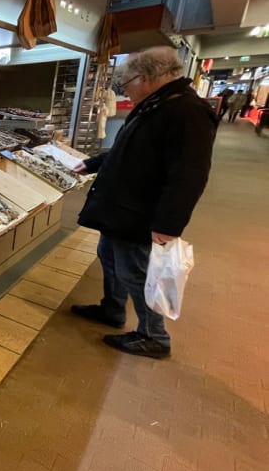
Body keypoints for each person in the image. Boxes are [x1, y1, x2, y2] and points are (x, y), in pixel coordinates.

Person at [71, 46, 217, 359]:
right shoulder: (156, 104)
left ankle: (154, 336)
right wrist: (94, 162)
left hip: (141, 214)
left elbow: (189, 174)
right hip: (122, 211)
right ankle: (112, 310)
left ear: (147, 77)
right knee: (108, 255)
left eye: (127, 83)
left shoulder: (186, 111)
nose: (124, 90)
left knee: (134, 272)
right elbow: (130, 150)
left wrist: (168, 225)